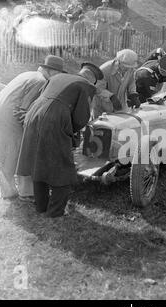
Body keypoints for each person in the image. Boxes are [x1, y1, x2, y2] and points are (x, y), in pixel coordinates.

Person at [16, 62, 103, 218]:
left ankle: (41, 206)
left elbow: (42, 95)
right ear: (92, 79)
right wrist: (73, 134)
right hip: (54, 118)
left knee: (38, 161)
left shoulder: (59, 76)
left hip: (34, 114)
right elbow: (81, 117)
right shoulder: (86, 86)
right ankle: (55, 212)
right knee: (62, 167)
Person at [0, 55, 65, 201]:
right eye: (59, 73)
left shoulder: (28, 74)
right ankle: (27, 192)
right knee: (24, 153)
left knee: (2, 154)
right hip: (8, 117)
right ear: (51, 71)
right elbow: (24, 109)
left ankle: (9, 192)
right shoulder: (41, 81)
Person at [97, 49, 141, 114]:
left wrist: (133, 93)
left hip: (121, 107)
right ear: (118, 62)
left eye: (130, 67)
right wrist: (111, 97)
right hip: (103, 109)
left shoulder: (130, 69)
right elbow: (98, 88)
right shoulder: (104, 70)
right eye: (125, 67)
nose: (127, 69)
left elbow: (131, 82)